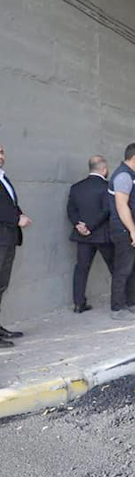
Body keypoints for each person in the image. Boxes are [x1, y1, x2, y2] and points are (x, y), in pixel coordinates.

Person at [107, 143, 135, 321]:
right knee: (123, 269)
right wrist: (132, 231)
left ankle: (132, 302)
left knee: (134, 267)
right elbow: (121, 206)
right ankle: (117, 308)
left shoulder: (133, 176)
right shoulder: (123, 176)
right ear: (134, 158)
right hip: (125, 230)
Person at [67, 156, 114, 313]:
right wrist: (90, 226)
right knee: (116, 268)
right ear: (104, 169)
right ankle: (122, 299)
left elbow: (71, 210)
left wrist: (79, 226)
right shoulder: (106, 187)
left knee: (81, 268)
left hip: (82, 236)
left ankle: (79, 303)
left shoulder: (76, 187)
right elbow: (106, 211)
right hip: (102, 235)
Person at [0, 145, 31, 347]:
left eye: (2, 152)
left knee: (1, 286)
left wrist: (18, 214)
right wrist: (15, 218)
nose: (1, 156)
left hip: (7, 238)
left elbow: (9, 203)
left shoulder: (3, 177)